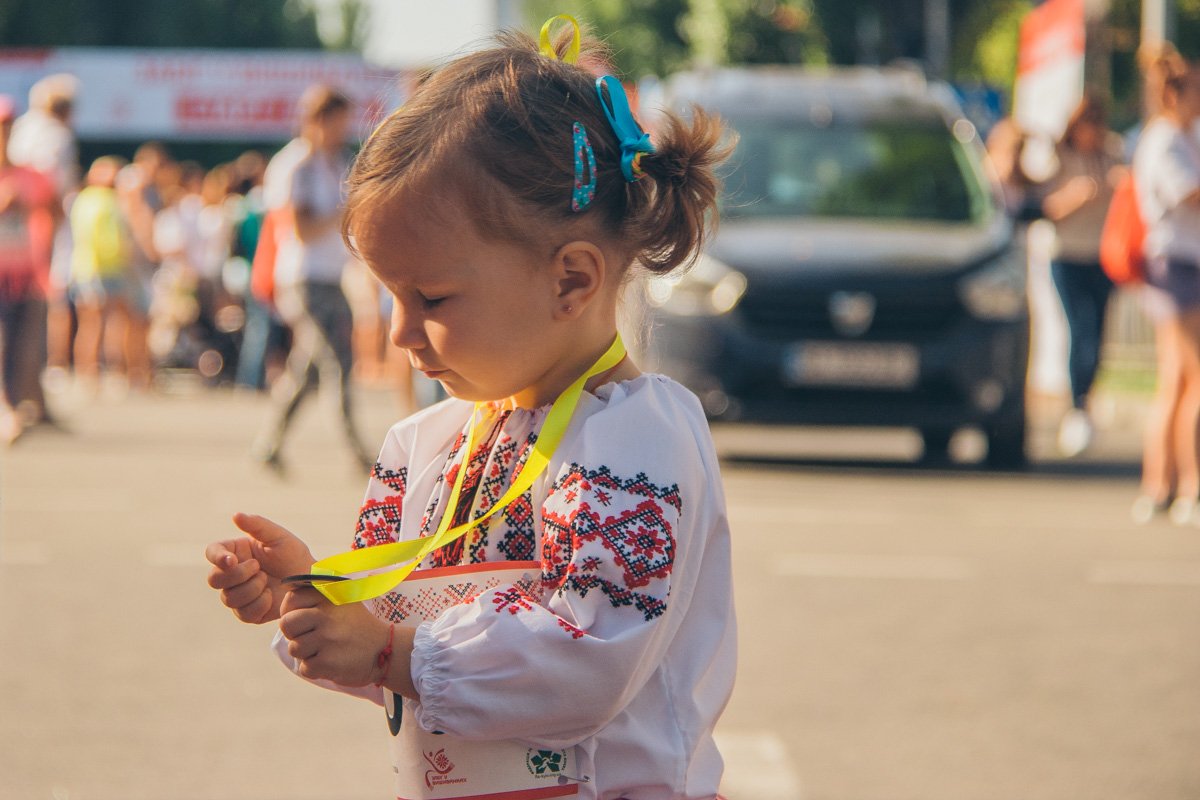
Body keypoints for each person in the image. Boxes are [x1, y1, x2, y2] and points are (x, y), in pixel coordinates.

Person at [205, 21, 735, 799]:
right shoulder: (433, 442)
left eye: (432, 298)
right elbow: (404, 642)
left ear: (571, 281)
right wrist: (313, 599)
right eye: (390, 295)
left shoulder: (632, 440)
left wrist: (389, 651)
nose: (398, 331)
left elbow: (586, 659)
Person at [251, 84, 372, 472]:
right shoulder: (296, 164)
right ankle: (358, 451)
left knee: (307, 370)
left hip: (332, 277)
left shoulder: (336, 162)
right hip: (303, 279)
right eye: (338, 122)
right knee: (338, 361)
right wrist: (343, 215)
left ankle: (269, 444)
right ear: (317, 121)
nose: (343, 130)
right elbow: (299, 228)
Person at [1131, 51, 1200, 525]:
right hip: (1177, 265)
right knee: (1194, 377)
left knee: (1176, 379)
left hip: (1181, 265)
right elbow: (1189, 194)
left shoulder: (1184, 135)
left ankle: (1162, 484)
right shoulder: (1165, 139)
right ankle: (1188, 486)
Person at [1041, 95, 1124, 457]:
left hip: (1102, 257)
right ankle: (1077, 405)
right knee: (1080, 329)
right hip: (1067, 256)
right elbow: (1043, 208)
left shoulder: (1112, 155)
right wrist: (1078, 197)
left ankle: (1086, 400)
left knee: (1098, 333)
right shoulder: (1058, 157)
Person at [0, 95, 56, 443]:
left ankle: (15, 407)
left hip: (21, 276)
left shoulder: (31, 175)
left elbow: (54, 212)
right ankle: (7, 411)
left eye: (6, 126)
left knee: (21, 349)